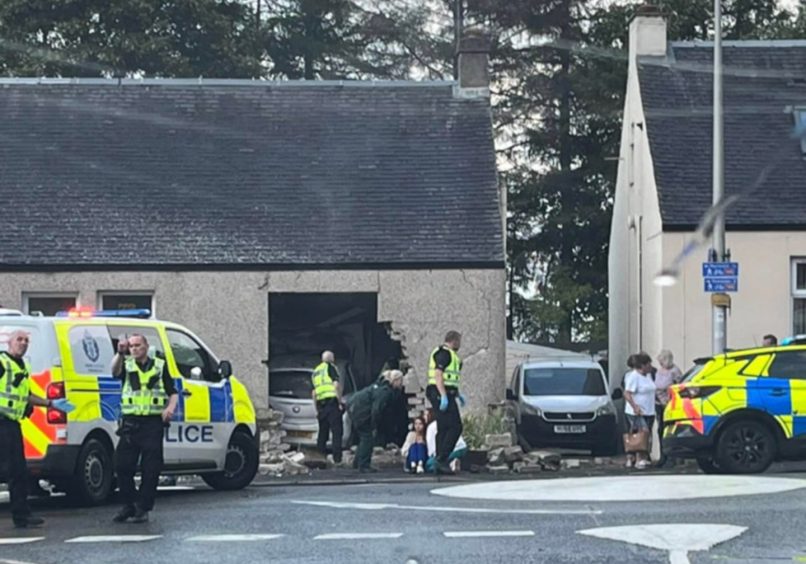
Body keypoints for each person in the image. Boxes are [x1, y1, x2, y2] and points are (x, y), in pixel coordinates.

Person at [1, 330, 72, 528]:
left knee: (18, 471)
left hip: (11, 424)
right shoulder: (2, 362)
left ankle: (22, 515)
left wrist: (50, 403)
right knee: (13, 470)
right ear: (9, 342)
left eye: (26, 341)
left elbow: (26, 395)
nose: (23, 343)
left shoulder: (22, 366)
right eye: (19, 340)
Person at [111, 333, 178, 523]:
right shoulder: (126, 364)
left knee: (151, 468)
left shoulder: (159, 365)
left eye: (137, 345)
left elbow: (173, 392)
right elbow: (114, 372)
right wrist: (119, 353)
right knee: (122, 465)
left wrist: (170, 409)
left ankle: (143, 507)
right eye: (131, 346)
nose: (134, 349)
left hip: (152, 423)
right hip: (131, 422)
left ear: (146, 346)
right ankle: (128, 505)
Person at [347, 370, 404, 472]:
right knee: (367, 438)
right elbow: (377, 409)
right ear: (395, 380)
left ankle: (357, 462)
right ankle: (364, 465)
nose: (401, 384)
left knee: (364, 437)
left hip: (354, 408)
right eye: (400, 381)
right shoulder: (385, 392)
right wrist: (374, 424)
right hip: (361, 412)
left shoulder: (379, 386)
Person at [425, 330, 465, 475]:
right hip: (440, 393)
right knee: (455, 426)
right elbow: (438, 374)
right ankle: (442, 459)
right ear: (454, 341)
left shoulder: (452, 356)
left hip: (446, 393)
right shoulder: (444, 353)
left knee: (443, 427)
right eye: (459, 341)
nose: (460, 345)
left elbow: (451, 379)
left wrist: (458, 394)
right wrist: (443, 395)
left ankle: (439, 461)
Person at [623, 352, 657, 470]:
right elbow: (627, 393)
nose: (650, 366)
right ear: (642, 365)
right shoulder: (633, 376)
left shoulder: (648, 376)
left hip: (649, 410)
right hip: (637, 411)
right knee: (641, 433)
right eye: (648, 364)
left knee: (646, 434)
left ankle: (637, 457)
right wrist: (635, 406)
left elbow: (652, 390)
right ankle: (638, 458)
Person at [311, 351, 345, 464]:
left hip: (321, 405)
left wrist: (316, 409)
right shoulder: (331, 367)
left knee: (322, 433)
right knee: (336, 432)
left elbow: (314, 393)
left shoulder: (316, 371)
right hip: (332, 403)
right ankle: (337, 459)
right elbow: (336, 385)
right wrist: (340, 402)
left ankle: (319, 458)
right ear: (332, 359)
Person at [654, 349, 683, 467]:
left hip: (670, 405)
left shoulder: (675, 371)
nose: (660, 363)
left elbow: (679, 387)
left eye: (662, 361)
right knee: (660, 430)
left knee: (669, 430)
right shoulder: (659, 371)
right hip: (659, 404)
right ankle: (663, 457)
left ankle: (672, 458)